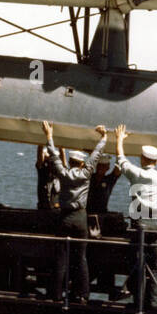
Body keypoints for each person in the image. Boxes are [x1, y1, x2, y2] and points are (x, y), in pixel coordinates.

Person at [43, 121, 109, 303]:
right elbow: (95, 157)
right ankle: (83, 295)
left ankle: (55, 295)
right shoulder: (86, 173)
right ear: (81, 163)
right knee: (81, 259)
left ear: (70, 162)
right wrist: (103, 138)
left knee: (61, 258)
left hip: (64, 217)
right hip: (80, 217)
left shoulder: (63, 174)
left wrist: (49, 135)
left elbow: (53, 155)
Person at [114, 125, 157, 314]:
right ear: (155, 161)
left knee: (138, 263)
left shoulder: (137, 173)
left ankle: (137, 300)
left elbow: (120, 159)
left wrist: (120, 138)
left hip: (140, 222)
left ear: (142, 159)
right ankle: (154, 303)